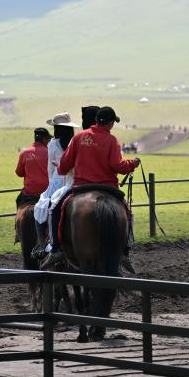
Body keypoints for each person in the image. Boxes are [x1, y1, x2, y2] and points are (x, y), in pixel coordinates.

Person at [41, 106, 141, 270]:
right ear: (110, 123)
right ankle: (124, 252)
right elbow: (118, 166)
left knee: (54, 210)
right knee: (127, 213)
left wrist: (60, 168)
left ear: (96, 120)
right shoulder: (111, 140)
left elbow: (64, 165)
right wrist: (133, 163)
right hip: (108, 187)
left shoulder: (79, 137)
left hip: (81, 186)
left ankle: (56, 249)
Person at [32, 112, 78, 252]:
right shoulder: (75, 142)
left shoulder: (53, 144)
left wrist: (51, 184)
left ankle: (44, 244)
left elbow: (50, 169)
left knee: (40, 207)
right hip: (73, 180)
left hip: (57, 180)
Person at [15, 128, 50, 209]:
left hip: (30, 192)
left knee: (18, 200)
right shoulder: (50, 152)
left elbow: (19, 173)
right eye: (48, 140)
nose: (48, 142)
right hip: (46, 192)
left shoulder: (24, 152)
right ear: (44, 139)